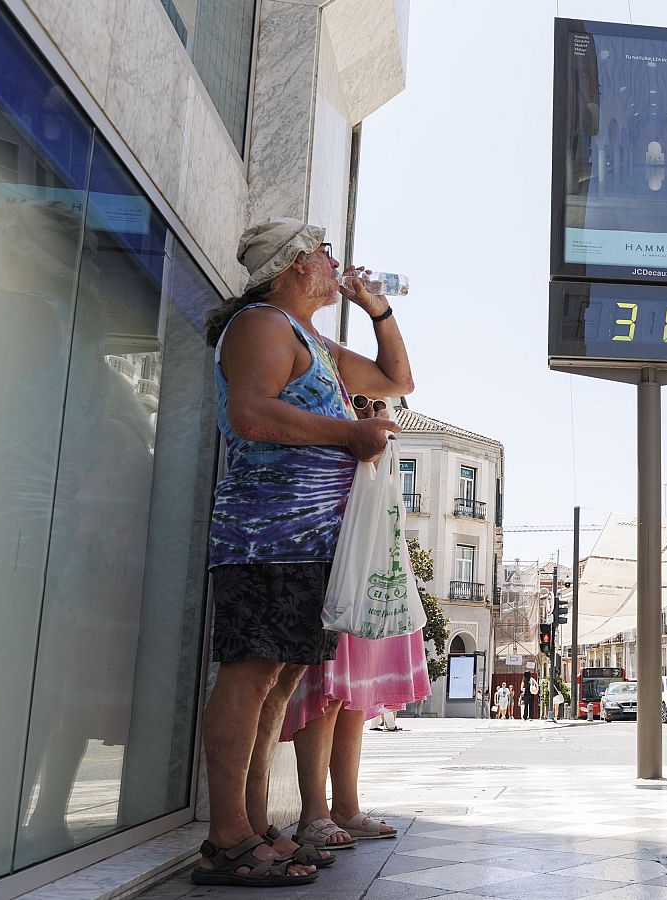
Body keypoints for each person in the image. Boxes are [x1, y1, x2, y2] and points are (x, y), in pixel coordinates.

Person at [193, 218, 410, 887]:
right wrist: (351, 433)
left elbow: (397, 380)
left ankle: (256, 824)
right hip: (267, 535)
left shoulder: (312, 339)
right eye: (323, 252)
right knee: (252, 675)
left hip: (310, 542)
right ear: (292, 267)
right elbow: (251, 415)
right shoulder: (262, 325)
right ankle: (228, 836)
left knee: (279, 681)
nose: (334, 260)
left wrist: (380, 309)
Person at [282, 396, 429, 854]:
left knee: (352, 692)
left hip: (365, 554)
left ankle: (344, 806)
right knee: (329, 688)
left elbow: (398, 379)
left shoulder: (351, 404)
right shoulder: (324, 405)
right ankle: (314, 813)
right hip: (336, 552)